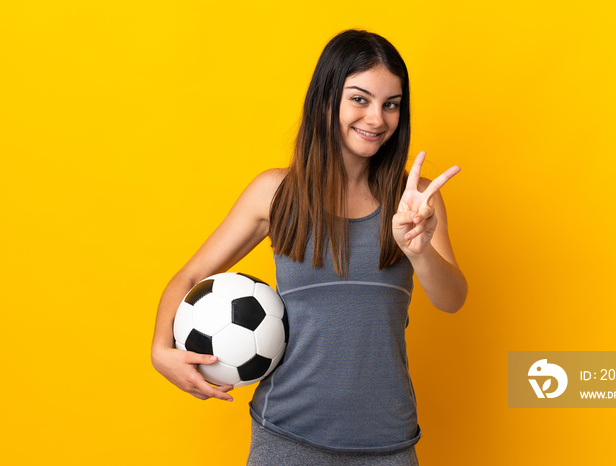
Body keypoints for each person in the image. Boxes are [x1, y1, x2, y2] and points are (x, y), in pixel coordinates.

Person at [151, 29, 467, 465]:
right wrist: (159, 350)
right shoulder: (275, 192)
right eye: (360, 99)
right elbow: (187, 279)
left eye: (391, 104)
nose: (377, 118)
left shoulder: (417, 200)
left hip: (388, 441)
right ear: (326, 99)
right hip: (286, 437)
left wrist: (418, 249)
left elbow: (452, 300)